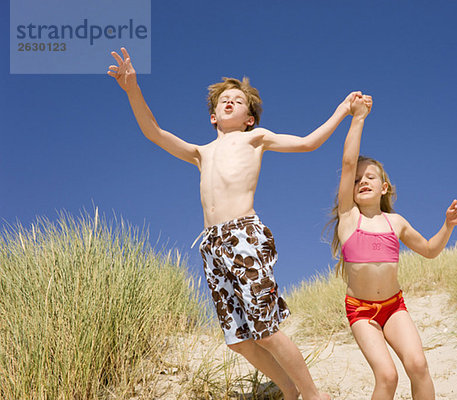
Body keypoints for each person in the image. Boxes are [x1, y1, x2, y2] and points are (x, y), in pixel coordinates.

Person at [108, 47, 360, 400]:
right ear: (212, 116)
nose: (229, 102)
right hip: (211, 244)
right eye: (223, 100)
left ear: (249, 118)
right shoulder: (201, 153)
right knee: (239, 340)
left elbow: (307, 143)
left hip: (244, 236)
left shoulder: (254, 139)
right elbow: (154, 131)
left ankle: (314, 396)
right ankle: (288, 390)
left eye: (237, 101)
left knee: (266, 331)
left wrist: (342, 111)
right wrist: (132, 88)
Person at [328, 95, 457, 400]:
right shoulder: (348, 218)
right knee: (388, 377)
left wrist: (448, 226)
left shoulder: (396, 222)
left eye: (371, 177)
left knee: (418, 365)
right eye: (357, 179)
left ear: (384, 187)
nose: (363, 180)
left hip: (394, 306)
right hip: (361, 311)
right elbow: (348, 163)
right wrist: (359, 118)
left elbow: (430, 250)